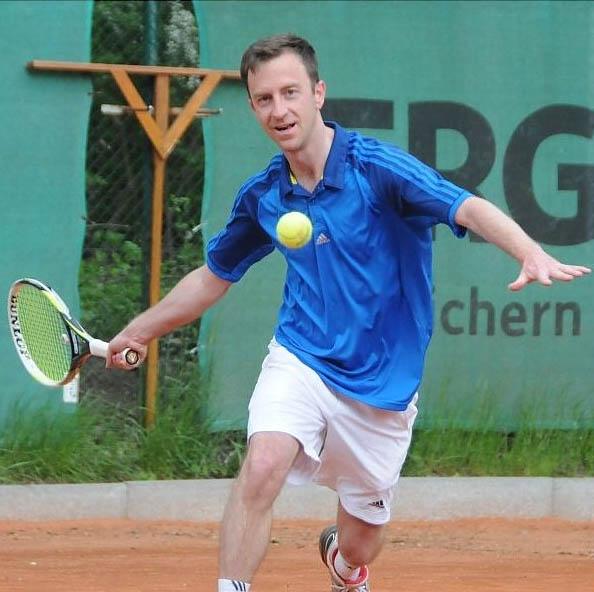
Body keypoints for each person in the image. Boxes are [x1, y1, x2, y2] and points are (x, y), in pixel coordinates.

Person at [107, 34, 591, 592]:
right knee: (262, 464)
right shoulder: (265, 195)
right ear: (254, 107)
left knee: (362, 544)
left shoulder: (377, 168)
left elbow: (467, 207)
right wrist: (138, 331)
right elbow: (213, 276)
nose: (279, 110)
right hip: (302, 356)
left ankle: (343, 562)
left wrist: (529, 251)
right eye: (264, 99)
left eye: (290, 92)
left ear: (318, 93)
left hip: (383, 384)